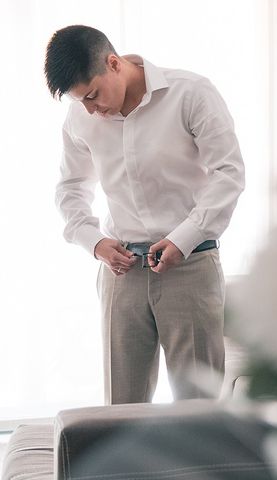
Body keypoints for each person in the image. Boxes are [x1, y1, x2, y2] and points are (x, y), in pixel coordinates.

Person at [44, 25, 245, 404]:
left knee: (198, 405)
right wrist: (96, 242)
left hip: (191, 265)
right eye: (80, 102)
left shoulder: (191, 93)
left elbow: (229, 173)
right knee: (121, 407)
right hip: (120, 272)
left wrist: (183, 239)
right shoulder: (79, 119)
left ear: (114, 64)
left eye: (92, 95)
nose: (91, 110)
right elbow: (70, 190)